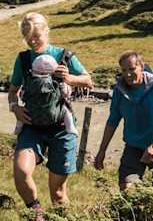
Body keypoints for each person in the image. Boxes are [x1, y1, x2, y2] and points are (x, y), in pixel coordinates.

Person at [9, 12, 92, 220]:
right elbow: (13, 90)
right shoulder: (23, 59)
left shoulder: (64, 55)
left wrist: (70, 78)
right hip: (31, 125)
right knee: (21, 172)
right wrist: (15, 107)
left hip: (61, 128)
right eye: (28, 37)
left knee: (58, 193)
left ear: (47, 30)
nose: (33, 41)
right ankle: (37, 213)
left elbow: (88, 80)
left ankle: (63, 217)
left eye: (36, 35)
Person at [92, 51, 153, 190]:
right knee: (127, 189)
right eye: (124, 70)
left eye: (132, 69)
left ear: (141, 66)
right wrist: (102, 151)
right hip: (133, 147)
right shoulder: (119, 90)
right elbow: (112, 121)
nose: (127, 74)